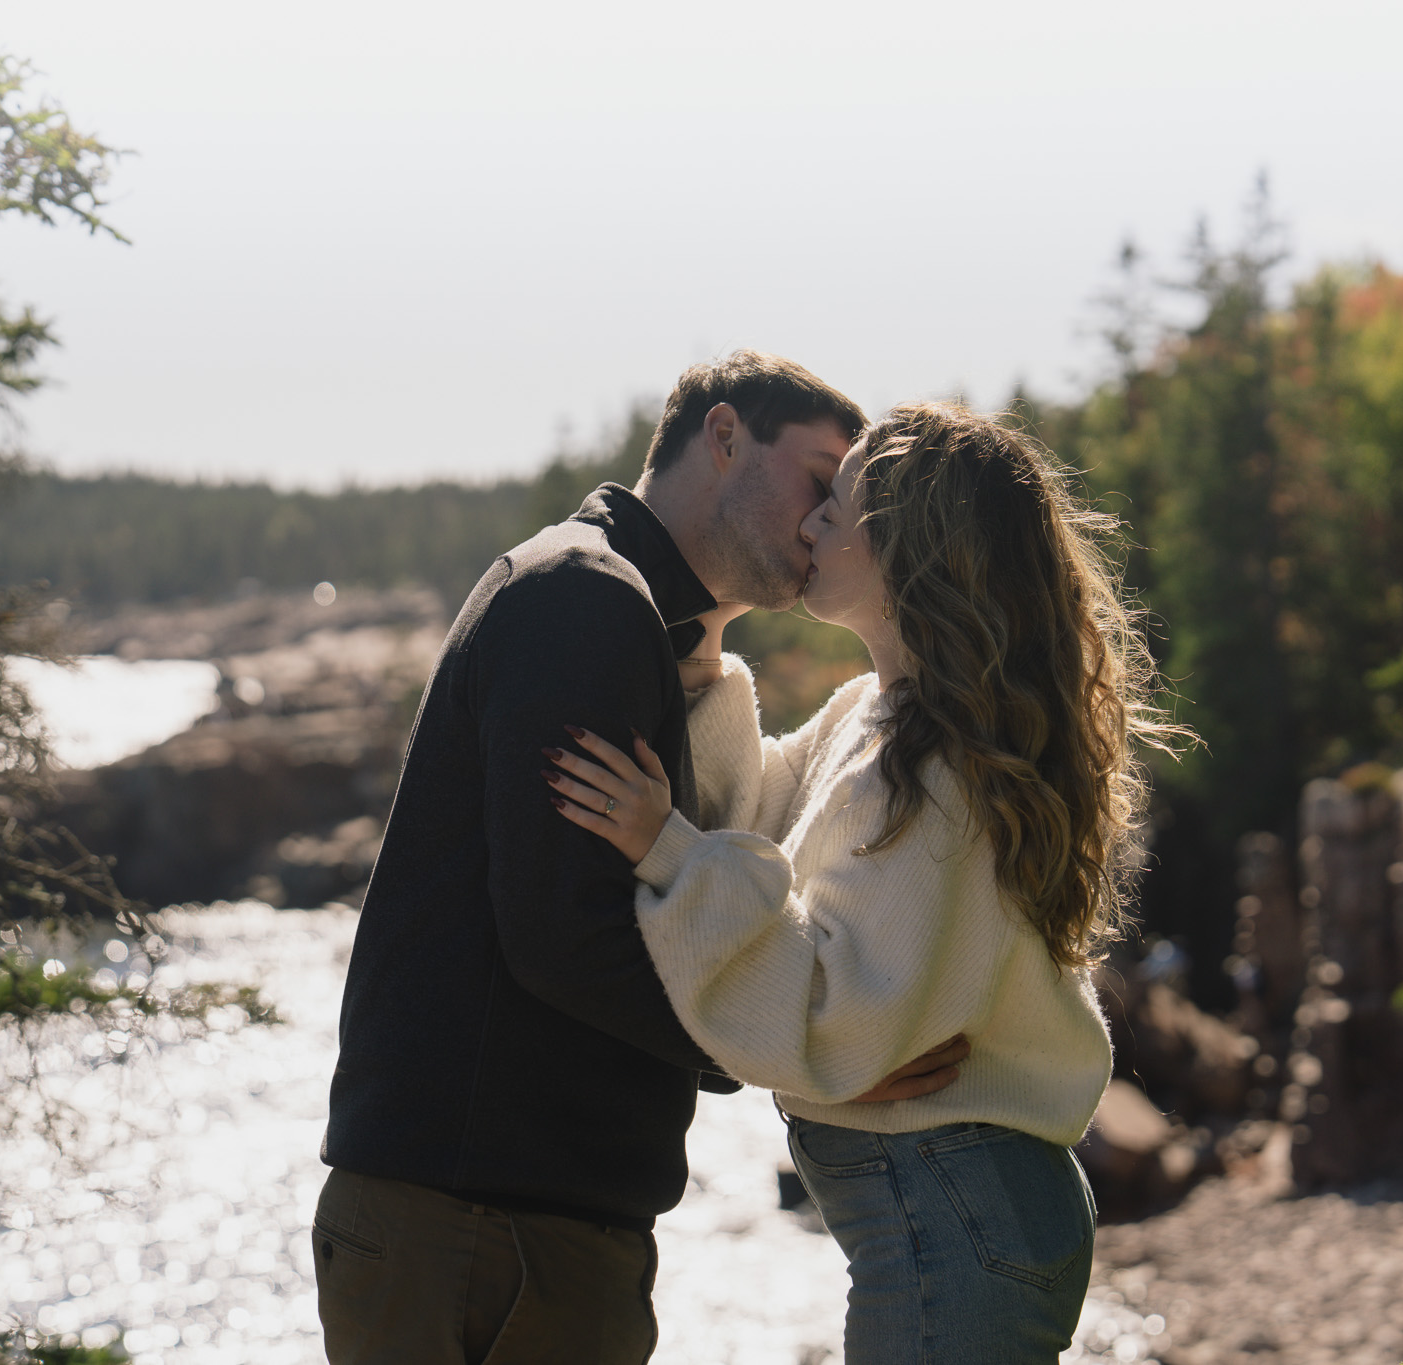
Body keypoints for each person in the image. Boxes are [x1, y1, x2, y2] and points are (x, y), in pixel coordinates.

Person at [315, 352, 967, 1365]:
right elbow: (565, 936)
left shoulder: (622, 611)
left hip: (490, 1222)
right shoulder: (585, 599)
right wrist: (798, 1058)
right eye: (814, 478)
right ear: (721, 438)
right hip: (485, 1230)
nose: (818, 520)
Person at [545, 401, 1181, 1363]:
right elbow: (757, 822)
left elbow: (835, 1014)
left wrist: (664, 849)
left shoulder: (941, 771)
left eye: (835, 507)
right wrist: (701, 651)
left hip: (955, 1218)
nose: (808, 527)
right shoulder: (879, 715)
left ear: (909, 546)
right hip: (952, 1214)